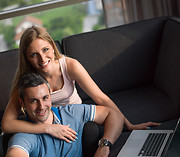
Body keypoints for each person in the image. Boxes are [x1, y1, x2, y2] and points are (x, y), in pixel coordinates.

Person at [1, 26, 159, 141]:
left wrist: (129, 124)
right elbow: (7, 124)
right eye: (34, 55)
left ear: (53, 46)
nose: (42, 59)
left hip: (75, 117)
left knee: (90, 131)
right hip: (46, 123)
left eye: (45, 50)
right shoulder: (27, 80)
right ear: (26, 58)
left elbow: (100, 98)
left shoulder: (70, 65)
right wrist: (47, 128)